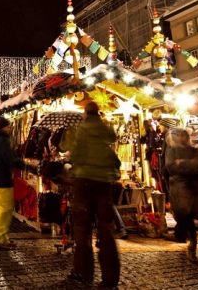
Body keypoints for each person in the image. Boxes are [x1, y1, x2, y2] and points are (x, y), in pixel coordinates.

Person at [60, 101, 121, 289]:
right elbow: (115, 162)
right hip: (104, 186)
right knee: (106, 231)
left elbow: (72, 152)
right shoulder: (106, 132)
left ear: (86, 113)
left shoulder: (80, 130)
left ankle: (82, 272)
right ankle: (110, 278)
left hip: (83, 184)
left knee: (82, 231)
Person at [164, 127, 198, 264]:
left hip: (192, 187)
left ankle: (192, 244)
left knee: (189, 216)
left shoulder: (195, 150)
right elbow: (171, 167)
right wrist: (187, 165)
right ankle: (186, 238)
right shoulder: (171, 151)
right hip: (179, 188)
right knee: (184, 215)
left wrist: (181, 163)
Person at [0, 116, 22, 250]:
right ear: (3, 127)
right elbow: (9, 159)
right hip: (2, 179)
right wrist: (22, 164)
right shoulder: (2, 141)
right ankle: (1, 240)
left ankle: (1, 238)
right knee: (4, 210)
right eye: (8, 126)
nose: (10, 129)